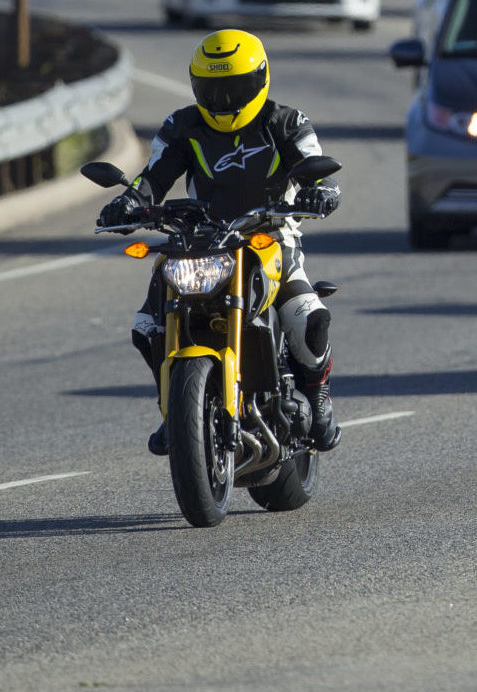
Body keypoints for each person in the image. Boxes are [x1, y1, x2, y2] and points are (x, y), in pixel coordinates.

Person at [97, 30, 343, 456]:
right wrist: (129, 201)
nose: (225, 100)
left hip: (270, 235)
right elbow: (153, 177)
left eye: (236, 88)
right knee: (145, 326)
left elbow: (314, 167)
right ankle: (174, 412)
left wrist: (319, 190)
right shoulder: (183, 125)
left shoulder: (286, 122)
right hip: (201, 238)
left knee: (309, 317)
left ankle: (318, 398)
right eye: (213, 89)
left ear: (261, 80)